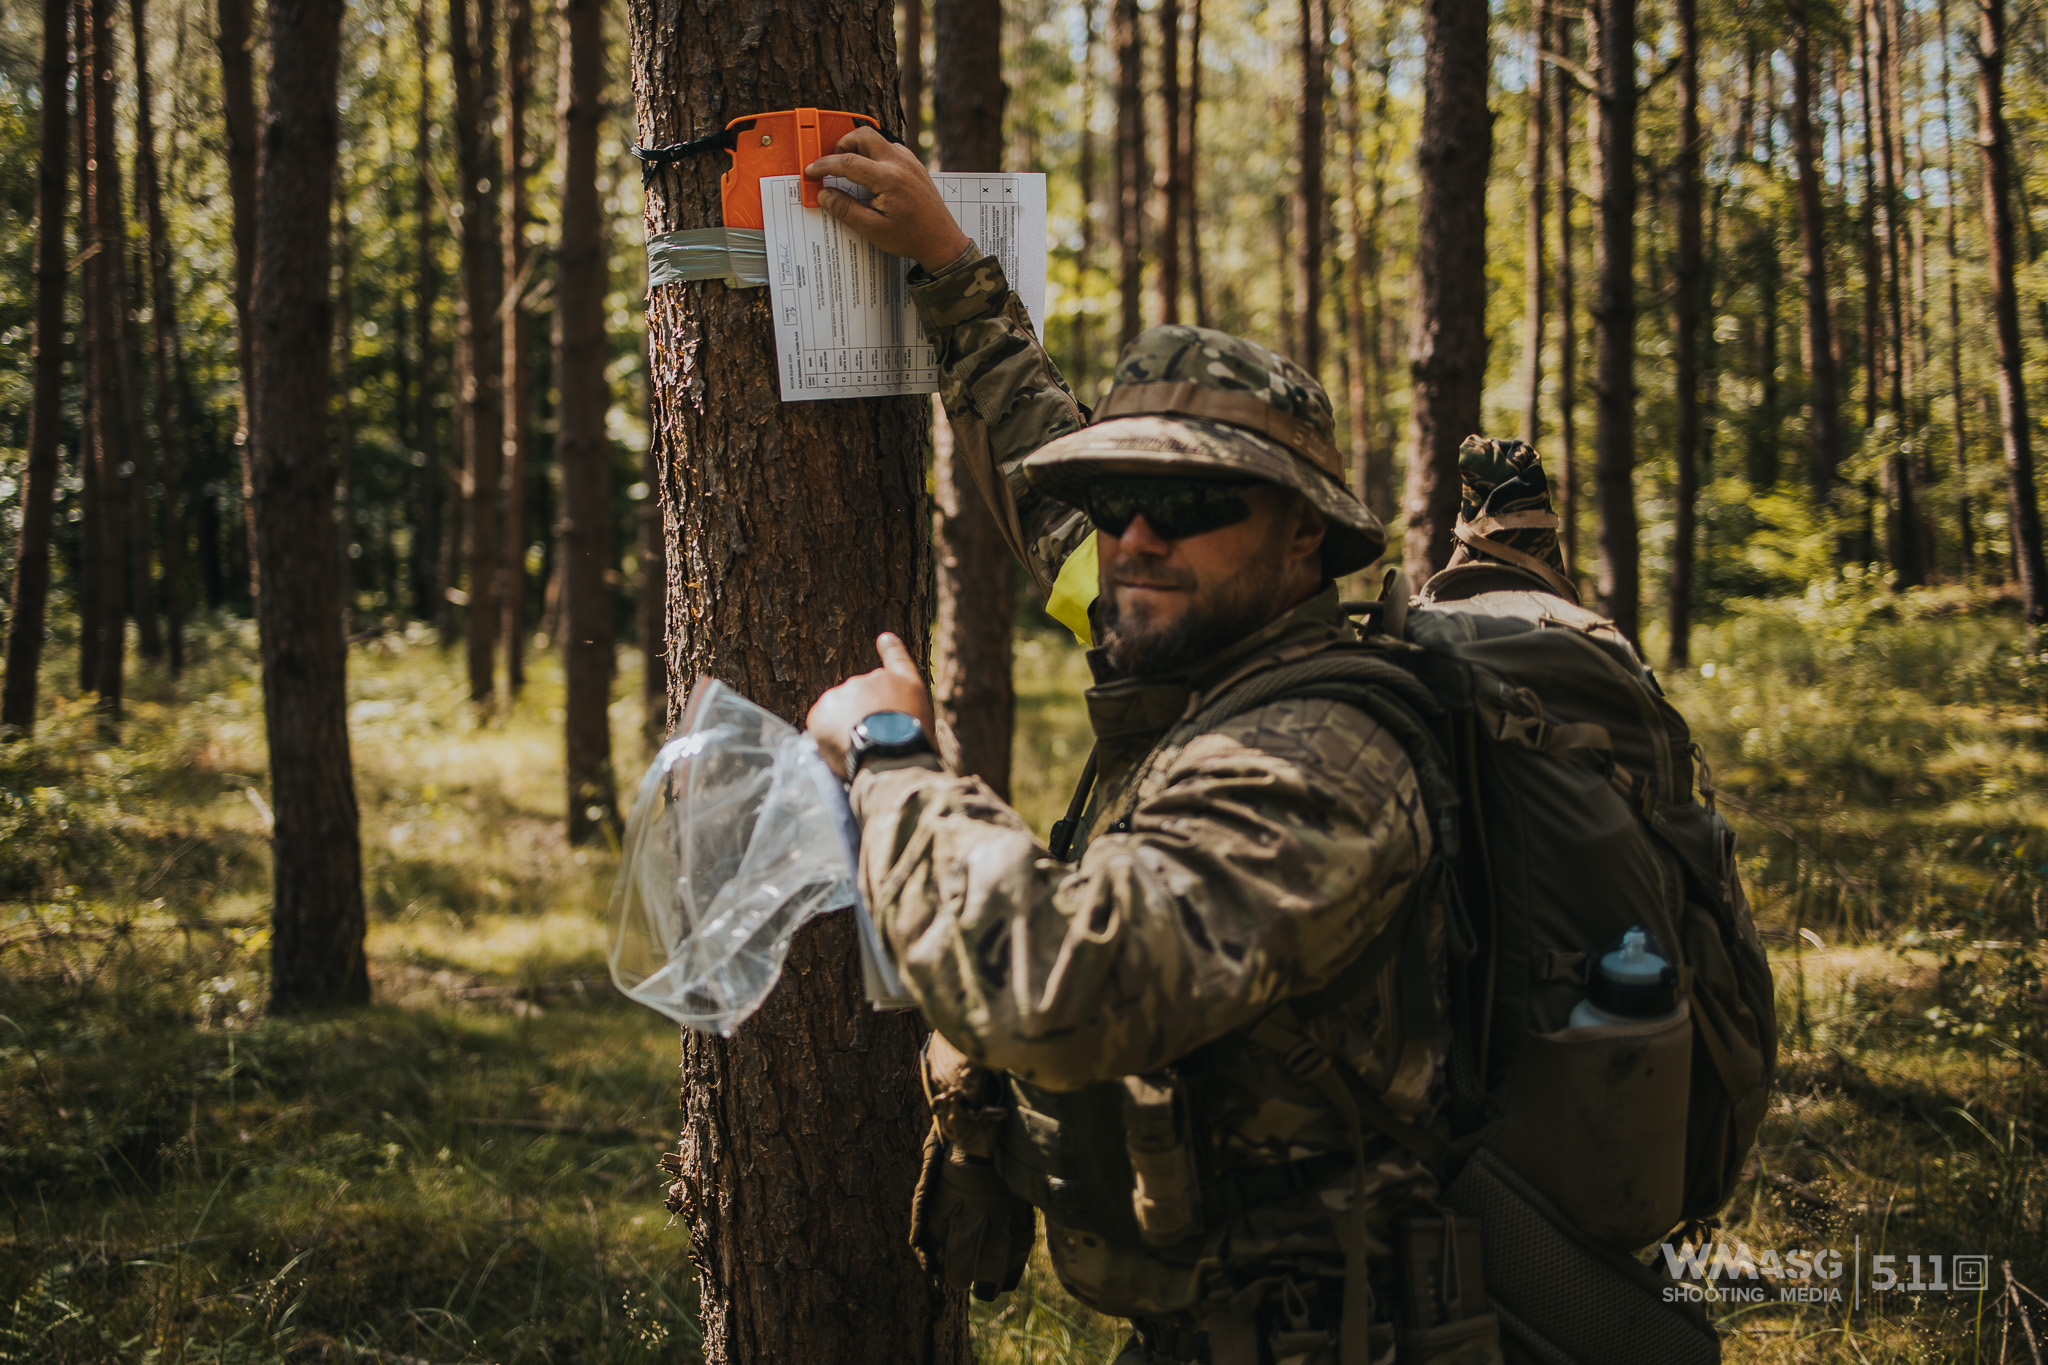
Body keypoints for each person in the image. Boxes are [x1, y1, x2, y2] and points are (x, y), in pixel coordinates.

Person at [803, 127, 1503, 1365]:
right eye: (1118, 495)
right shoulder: (1192, 634)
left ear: (1304, 537)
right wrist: (948, 267)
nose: (1134, 535)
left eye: (1185, 502)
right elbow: (1044, 479)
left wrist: (893, 754)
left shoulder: (1315, 758)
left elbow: (1057, 985)